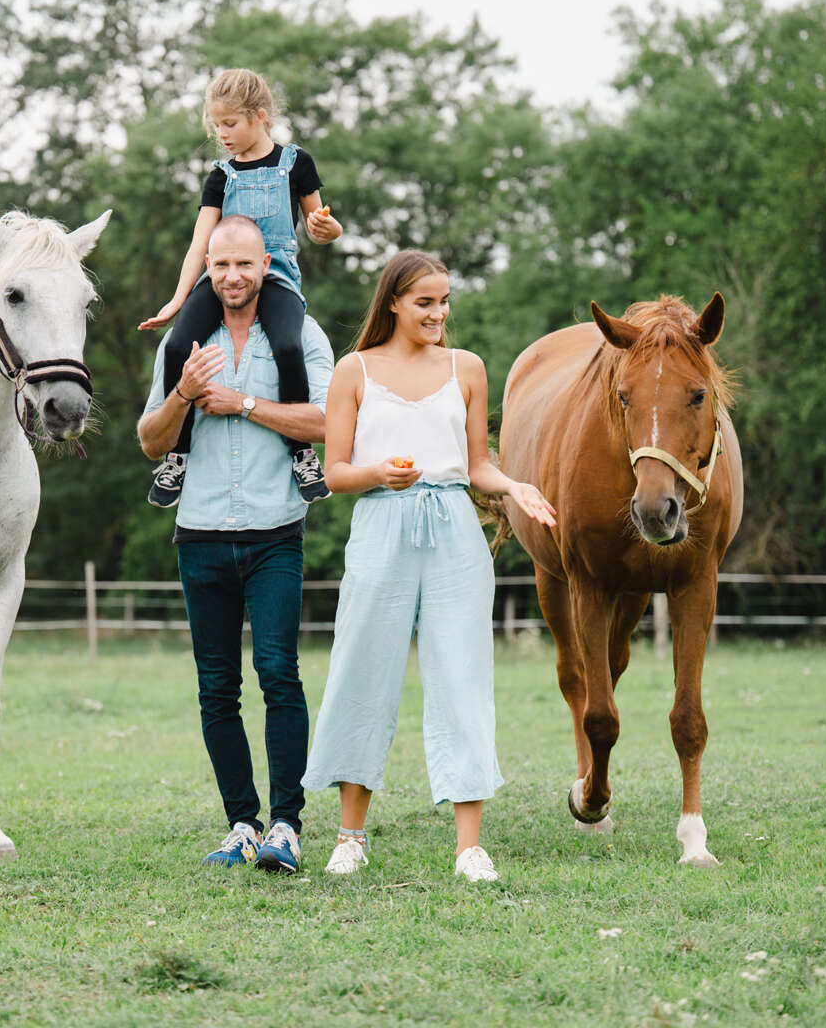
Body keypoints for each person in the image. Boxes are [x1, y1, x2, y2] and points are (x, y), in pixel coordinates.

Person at [300, 250, 557, 883]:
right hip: (381, 526)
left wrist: (514, 487)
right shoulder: (353, 370)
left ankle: (470, 846)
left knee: (463, 679)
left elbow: (477, 466)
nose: (439, 313)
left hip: (453, 533)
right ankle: (350, 836)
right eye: (425, 302)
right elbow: (334, 473)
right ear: (393, 302)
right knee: (361, 673)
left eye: (444, 302)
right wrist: (377, 474)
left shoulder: (467, 369)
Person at [138, 214, 335, 873]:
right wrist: (185, 397)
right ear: (207, 270)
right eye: (219, 266)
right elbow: (149, 440)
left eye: (243, 265)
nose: (231, 277)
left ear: (266, 267)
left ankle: (287, 824)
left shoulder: (300, 334)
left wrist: (245, 403)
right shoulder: (182, 345)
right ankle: (241, 823)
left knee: (279, 674)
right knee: (217, 687)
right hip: (199, 537)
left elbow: (331, 422)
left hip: (276, 533)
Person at [139, 68, 342, 508]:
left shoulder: (296, 164)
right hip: (222, 280)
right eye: (216, 125)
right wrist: (178, 300)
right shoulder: (220, 176)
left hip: (277, 277)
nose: (222, 134)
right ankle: (178, 455)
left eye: (229, 123)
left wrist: (327, 228)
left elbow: (321, 225)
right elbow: (199, 244)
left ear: (260, 117)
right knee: (177, 350)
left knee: (288, 345)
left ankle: (302, 454)